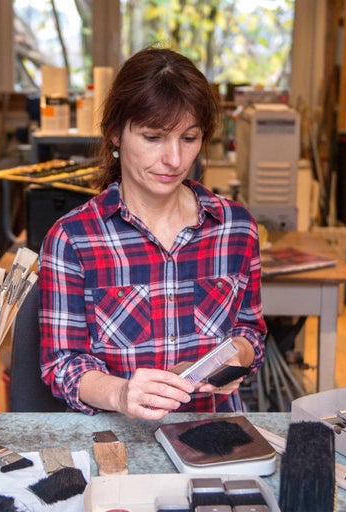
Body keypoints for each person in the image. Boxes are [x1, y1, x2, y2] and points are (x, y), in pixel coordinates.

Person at [38, 46, 267, 420]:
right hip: (119, 439)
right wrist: (121, 392)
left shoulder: (235, 228)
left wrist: (238, 355)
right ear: (115, 134)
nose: (174, 159)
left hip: (214, 433)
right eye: (153, 138)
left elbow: (250, 332)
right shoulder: (73, 239)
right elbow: (62, 366)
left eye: (189, 139)